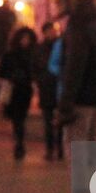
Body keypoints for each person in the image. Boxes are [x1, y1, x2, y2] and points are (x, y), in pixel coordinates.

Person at [54, 0, 96, 144]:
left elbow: (75, 65)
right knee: (94, 139)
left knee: (76, 143)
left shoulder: (79, 24)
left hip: (81, 94)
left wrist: (65, 102)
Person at [0, 26, 37, 159]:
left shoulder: (33, 54)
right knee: (16, 118)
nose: (25, 41)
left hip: (24, 90)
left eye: (27, 39)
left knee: (20, 117)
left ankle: (19, 143)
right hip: (12, 90)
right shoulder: (10, 54)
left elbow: (36, 71)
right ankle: (19, 141)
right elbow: (0, 71)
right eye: (23, 38)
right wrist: (12, 75)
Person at [33, 21, 63, 161]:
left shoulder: (62, 46)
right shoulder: (40, 48)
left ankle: (61, 149)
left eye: (53, 30)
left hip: (60, 87)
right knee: (48, 120)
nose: (52, 33)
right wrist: (40, 79)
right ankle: (50, 149)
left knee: (61, 120)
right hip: (46, 88)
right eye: (49, 30)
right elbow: (36, 66)